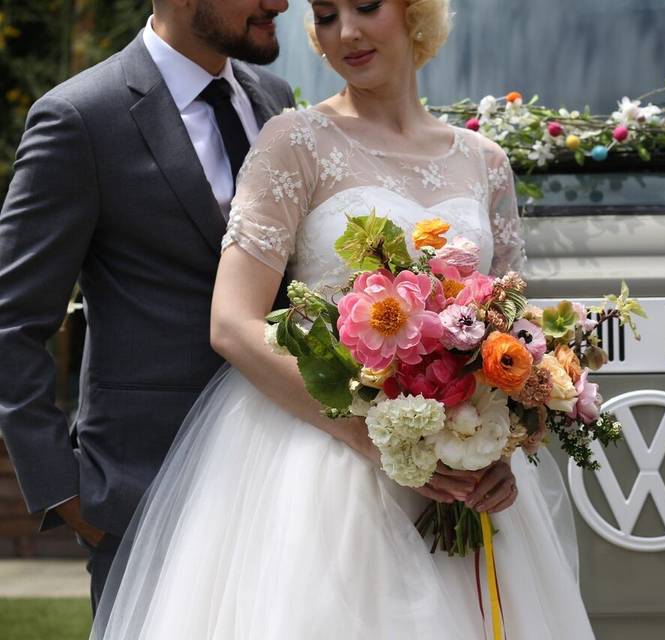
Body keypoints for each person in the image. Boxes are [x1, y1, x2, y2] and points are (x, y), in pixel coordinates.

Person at [91, 0, 596, 637]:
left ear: (415, 14)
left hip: (463, 478)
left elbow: (511, 335)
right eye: (325, 16)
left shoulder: (485, 161)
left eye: (365, 7)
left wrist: (504, 447)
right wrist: (369, 433)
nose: (346, 32)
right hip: (325, 470)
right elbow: (232, 322)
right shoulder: (294, 141)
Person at [0, 0, 295, 611]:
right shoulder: (81, 117)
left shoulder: (275, 99)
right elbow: (11, 323)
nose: (280, 3)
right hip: (145, 499)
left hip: (288, 490)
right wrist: (69, 498)